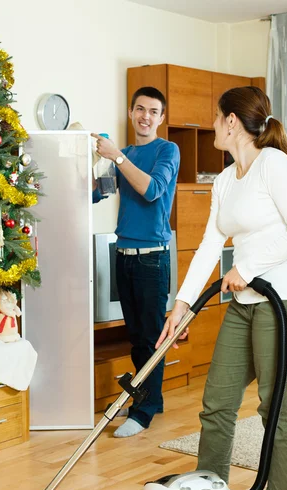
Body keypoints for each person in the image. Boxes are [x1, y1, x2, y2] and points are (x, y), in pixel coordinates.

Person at [156, 86, 287, 490]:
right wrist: (181, 305)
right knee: (218, 402)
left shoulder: (274, 165)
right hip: (245, 304)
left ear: (231, 122)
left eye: (215, 117)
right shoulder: (226, 179)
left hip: (285, 302)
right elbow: (211, 244)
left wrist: (247, 266)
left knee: (275, 406)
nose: (211, 124)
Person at [92, 87, 180, 438]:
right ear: (131, 113)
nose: (145, 116)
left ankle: (143, 410)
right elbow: (100, 193)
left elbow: (152, 190)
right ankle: (149, 400)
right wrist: (91, 162)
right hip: (123, 256)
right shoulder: (123, 155)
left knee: (149, 340)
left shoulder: (166, 150)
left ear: (161, 118)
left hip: (152, 259)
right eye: (140, 109)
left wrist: (117, 158)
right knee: (137, 339)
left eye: (153, 111)